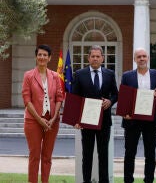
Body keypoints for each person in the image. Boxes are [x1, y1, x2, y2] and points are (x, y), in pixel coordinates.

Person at [72, 45, 118, 183]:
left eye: (98, 56)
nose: (95, 59)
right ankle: (86, 181)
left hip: (104, 121)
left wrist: (110, 101)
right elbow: (75, 97)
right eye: (93, 56)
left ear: (102, 58)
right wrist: (76, 119)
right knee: (87, 155)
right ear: (88, 58)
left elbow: (116, 94)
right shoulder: (79, 74)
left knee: (103, 154)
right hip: (86, 121)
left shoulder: (110, 74)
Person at [120, 48, 156, 183]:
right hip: (132, 120)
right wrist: (124, 113)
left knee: (150, 154)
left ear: (148, 58)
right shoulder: (127, 76)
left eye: (144, 56)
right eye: (139, 57)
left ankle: (149, 180)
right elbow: (124, 97)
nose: (142, 59)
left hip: (152, 121)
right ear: (135, 59)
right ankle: (128, 180)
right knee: (129, 154)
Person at [22, 44, 64, 183]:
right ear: (36, 57)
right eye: (39, 55)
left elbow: (59, 97)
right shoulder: (28, 75)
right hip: (33, 120)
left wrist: (53, 118)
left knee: (47, 157)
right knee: (34, 156)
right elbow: (27, 99)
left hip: (52, 121)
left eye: (45, 55)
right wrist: (39, 119)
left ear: (49, 58)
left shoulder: (55, 76)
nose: (42, 57)